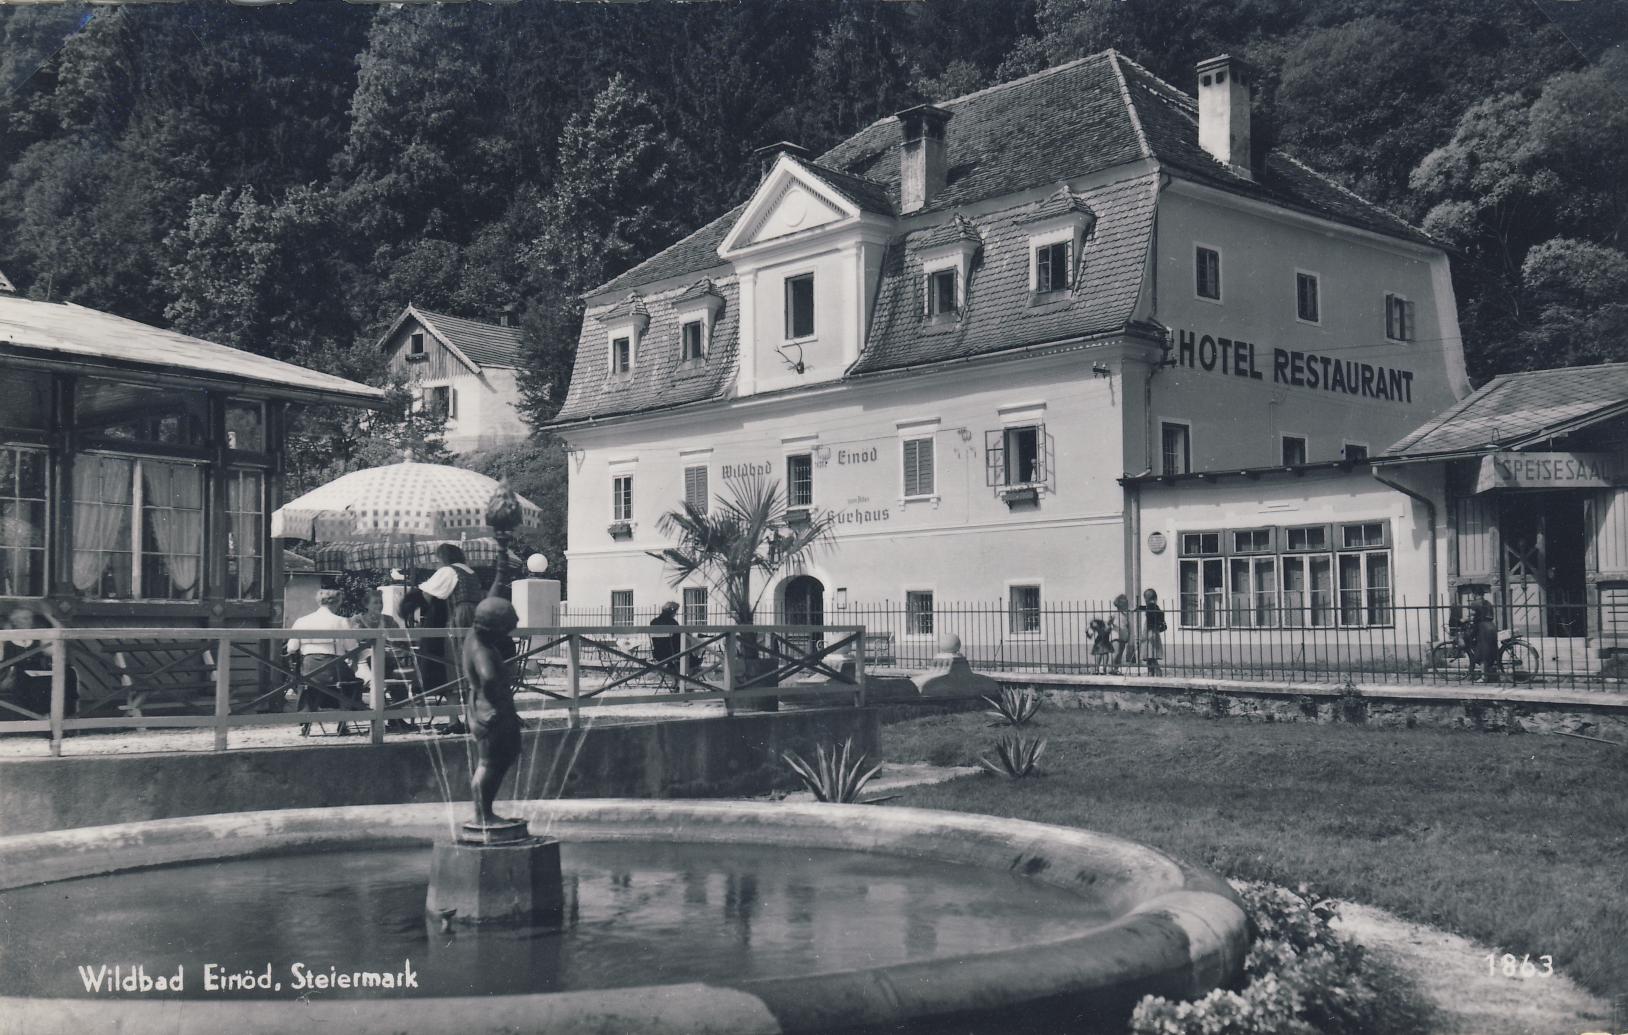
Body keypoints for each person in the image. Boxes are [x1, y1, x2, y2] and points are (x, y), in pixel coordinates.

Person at [464, 596, 522, 828]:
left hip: (482, 709)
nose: (506, 636)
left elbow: (489, 598)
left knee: (496, 761)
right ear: (493, 628)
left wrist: (501, 570)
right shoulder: (483, 650)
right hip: (489, 713)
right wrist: (498, 704)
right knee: (491, 763)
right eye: (505, 630)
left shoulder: (473, 634)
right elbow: (488, 677)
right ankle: (483, 815)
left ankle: (484, 812)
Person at [286, 588, 359, 731]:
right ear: (338, 602)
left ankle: (305, 721)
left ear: (319, 602)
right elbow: (352, 647)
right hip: (334, 671)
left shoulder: (302, 621)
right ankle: (344, 721)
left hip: (309, 672)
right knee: (353, 682)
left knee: (306, 682)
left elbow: (291, 648)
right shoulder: (342, 622)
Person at [1, 608, 78, 723]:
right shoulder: (6, 638)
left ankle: (61, 719)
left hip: (36, 674)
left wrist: (48, 616)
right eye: (25, 618)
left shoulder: (37, 637)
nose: (29, 621)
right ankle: (45, 719)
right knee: (39, 684)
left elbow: (61, 633)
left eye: (30, 618)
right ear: (15, 622)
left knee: (68, 674)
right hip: (13, 676)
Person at [354, 589, 412, 731]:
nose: (379, 606)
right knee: (376, 684)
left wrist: (393, 645)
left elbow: (398, 639)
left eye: (381, 602)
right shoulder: (357, 620)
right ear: (366, 604)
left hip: (387, 660)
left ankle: (396, 718)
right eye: (375, 603)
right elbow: (353, 642)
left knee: (399, 681)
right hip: (363, 661)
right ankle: (377, 720)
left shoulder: (388, 620)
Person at [420, 544, 484, 630]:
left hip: (461, 612)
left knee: (458, 639)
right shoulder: (470, 571)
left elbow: (427, 592)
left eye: (439, 559)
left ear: (444, 558)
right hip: (477, 611)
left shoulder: (448, 570)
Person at [1466, 591, 1499, 683]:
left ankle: (1484, 677)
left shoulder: (1475, 603)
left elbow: (1472, 616)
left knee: (1482, 653)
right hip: (1491, 627)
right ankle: (1489, 674)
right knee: (1489, 652)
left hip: (1482, 628)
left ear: (1475, 594)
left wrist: (1464, 620)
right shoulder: (1488, 603)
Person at [649, 601, 681, 690]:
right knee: (689, 656)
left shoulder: (653, 622)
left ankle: (676, 680)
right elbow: (678, 639)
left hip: (658, 654)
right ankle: (683, 681)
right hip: (673, 653)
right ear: (673, 611)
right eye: (676, 611)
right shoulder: (673, 623)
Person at [1137, 589, 1166, 677]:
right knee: (1150, 656)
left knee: (1151, 656)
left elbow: (1151, 620)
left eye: (1145, 598)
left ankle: (1158, 672)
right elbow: (1161, 617)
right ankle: (1150, 674)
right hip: (1152, 632)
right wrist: (1137, 608)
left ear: (1147, 598)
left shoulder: (1151, 606)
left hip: (1150, 633)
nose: (1145, 600)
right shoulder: (1154, 606)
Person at [1111, 594, 1135, 672]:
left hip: (1123, 638)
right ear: (1120, 605)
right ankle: (1111, 667)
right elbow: (1109, 623)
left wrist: (1128, 636)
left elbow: (1127, 625)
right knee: (1116, 653)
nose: (1126, 607)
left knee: (1120, 654)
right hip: (1116, 637)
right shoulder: (1114, 614)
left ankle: (1116, 669)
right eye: (1125, 605)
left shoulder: (1125, 615)